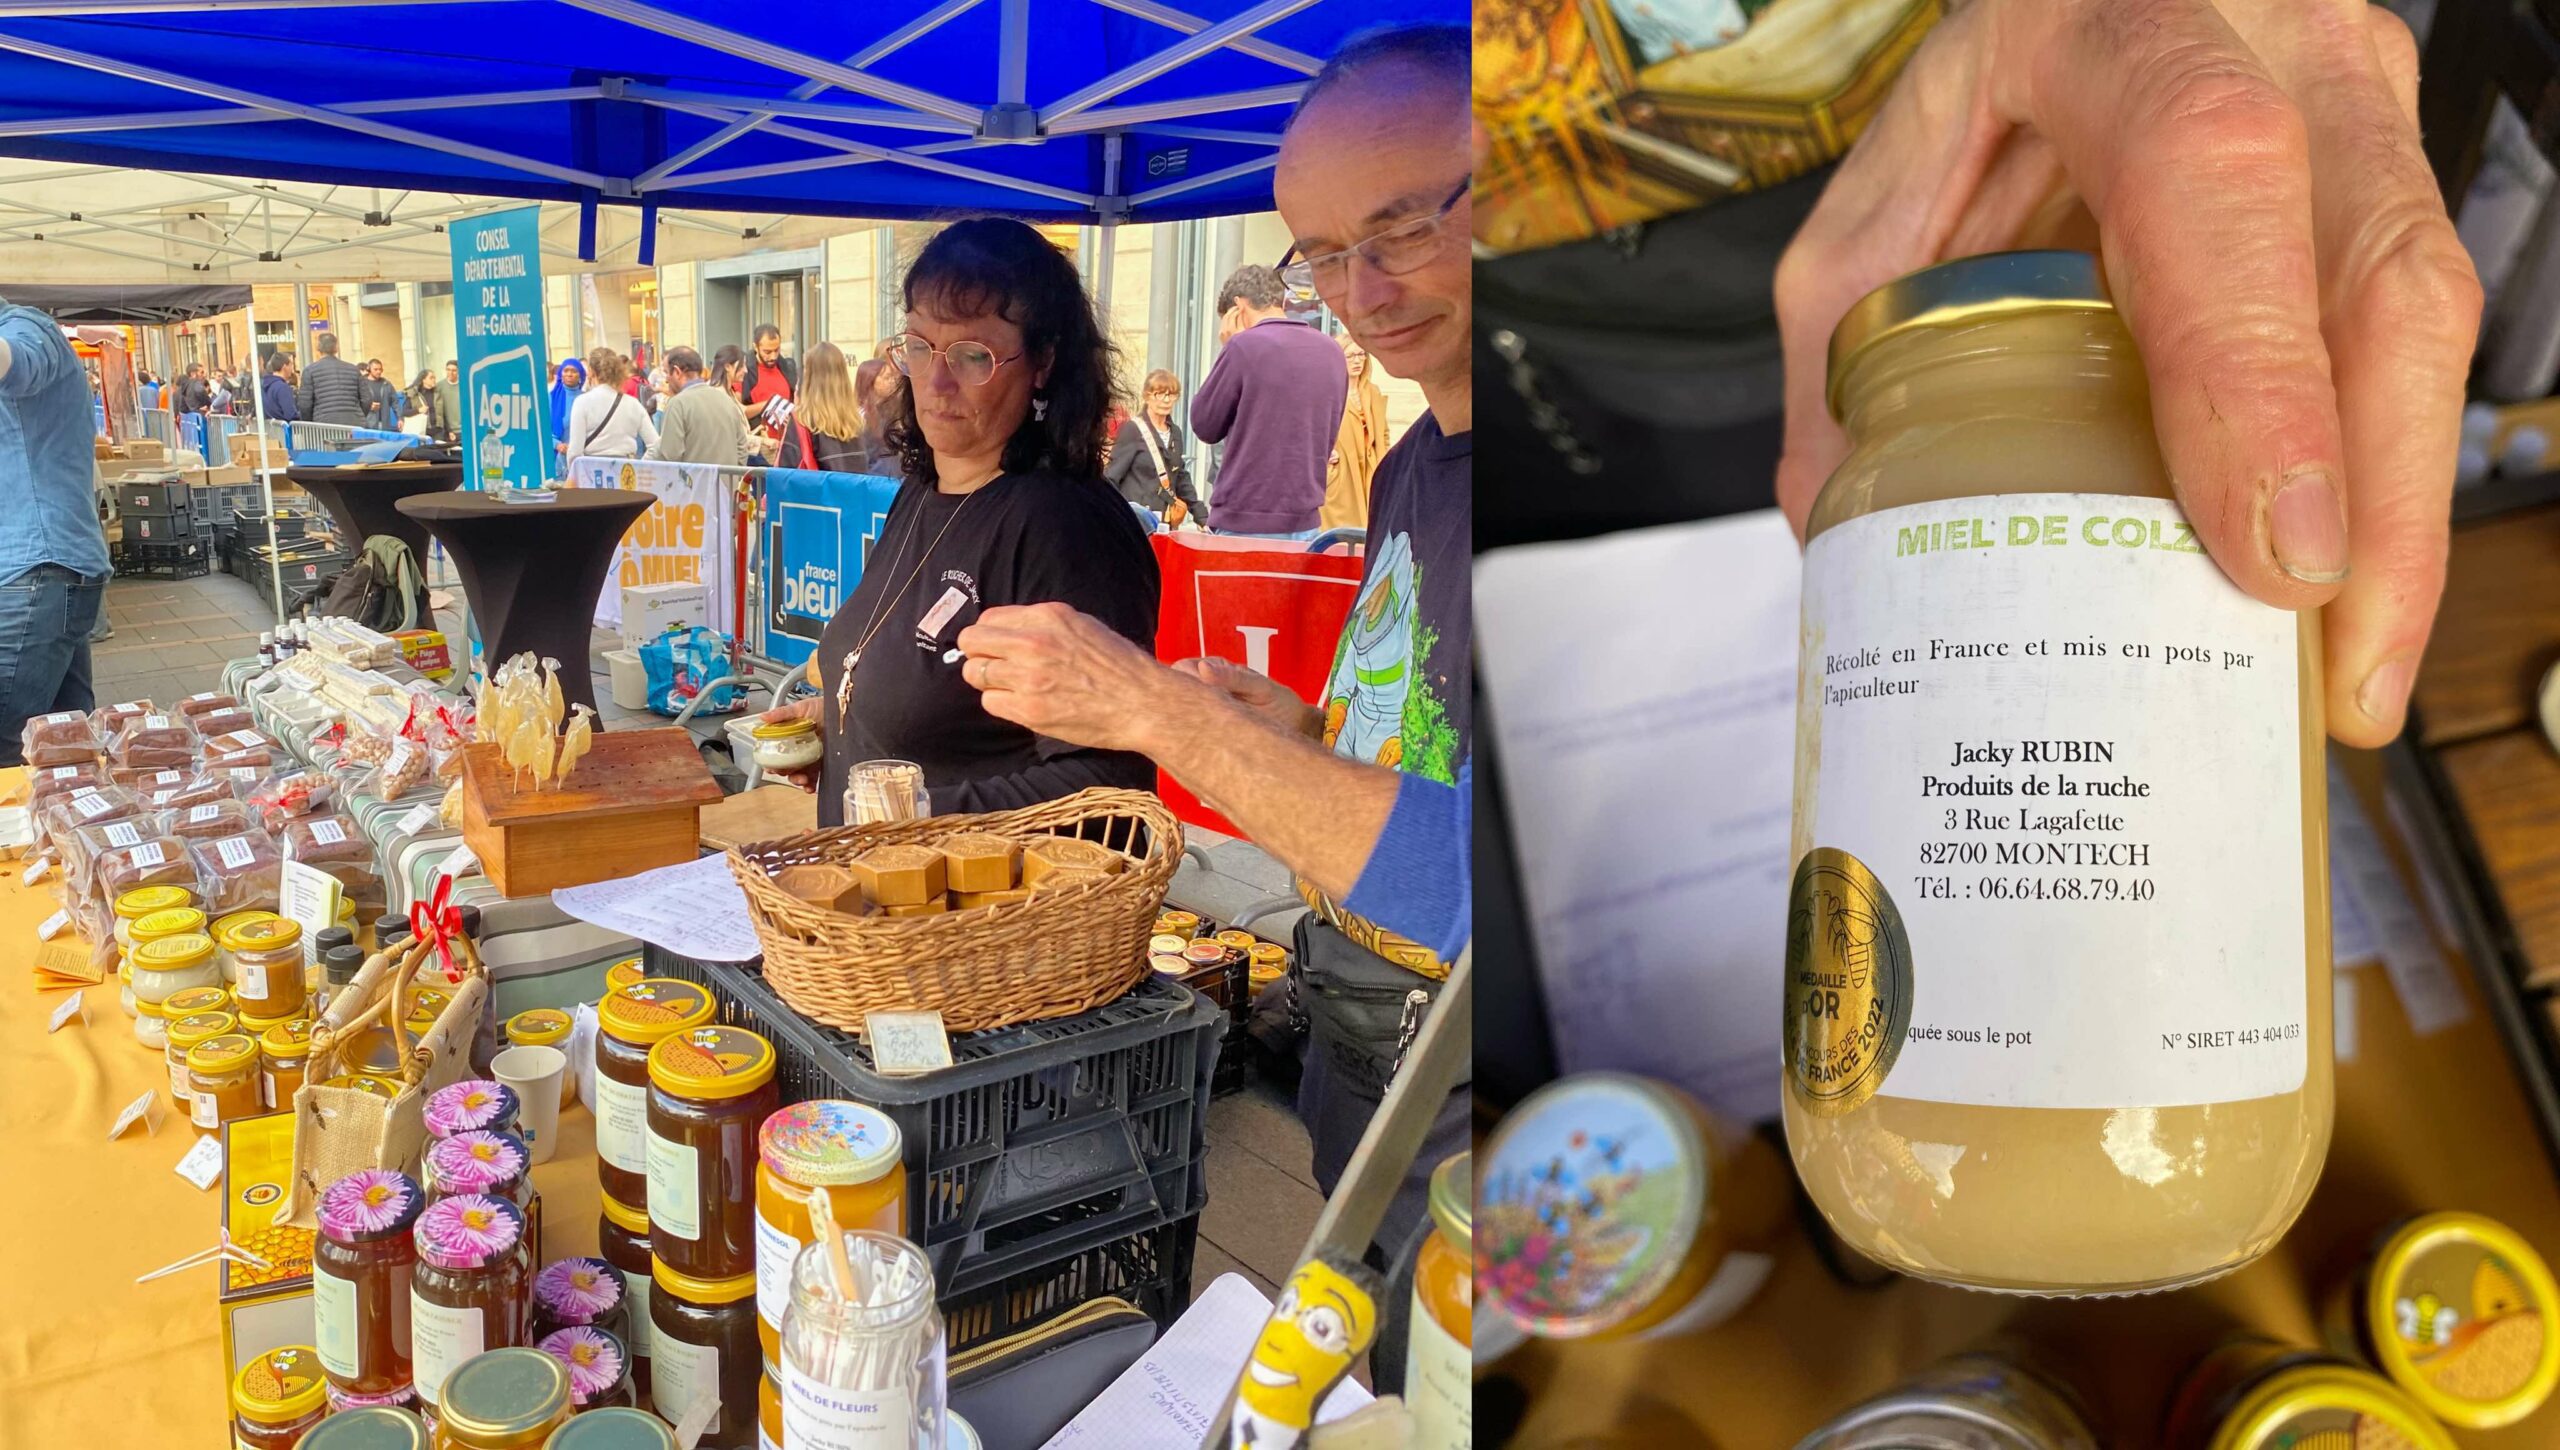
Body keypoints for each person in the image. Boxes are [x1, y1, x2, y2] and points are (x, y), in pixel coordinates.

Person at [947, 24, 1472, 1258]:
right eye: (1327, 254)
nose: (1363, 291)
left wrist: (1157, 711)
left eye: (1401, 230)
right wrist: (1312, 729)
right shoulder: (1408, 467)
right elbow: (1439, 733)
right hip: (1357, 1026)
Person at [754, 216, 1159, 817]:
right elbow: (940, 712)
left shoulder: (1064, 528)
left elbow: (1107, 791)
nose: (936, 382)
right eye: (919, 347)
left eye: (973, 355)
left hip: (985, 906)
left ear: (1043, 361)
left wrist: (907, 813)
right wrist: (841, 726)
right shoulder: (923, 487)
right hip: (875, 896)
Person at [0, 294, 116, 767]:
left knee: (11, 744)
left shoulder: (28, 329)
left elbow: (17, 363)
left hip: (40, 569)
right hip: (48, 568)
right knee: (67, 747)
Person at [1191, 264, 1348, 540]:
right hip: (1306, 520)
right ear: (1281, 301)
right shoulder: (1333, 352)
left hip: (1245, 518)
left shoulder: (1243, 347)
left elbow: (1205, 424)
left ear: (1237, 308)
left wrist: (1228, 347)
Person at [1104, 369, 1201, 530]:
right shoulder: (1133, 429)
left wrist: (1199, 514)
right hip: (1136, 520)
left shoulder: (1175, 432)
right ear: (1147, 396)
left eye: (1171, 395)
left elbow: (1181, 475)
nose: (1166, 400)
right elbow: (1112, 475)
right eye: (1159, 394)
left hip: (1164, 523)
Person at [1320, 336, 1389, 531]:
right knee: (1339, 534)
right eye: (1350, 356)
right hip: (1341, 474)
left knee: (1369, 529)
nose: (1357, 361)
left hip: (1369, 471)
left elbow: (1383, 433)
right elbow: (1309, 431)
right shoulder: (1327, 394)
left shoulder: (1372, 392)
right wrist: (1324, 454)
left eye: (1361, 355)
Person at [773, 341, 870, 472]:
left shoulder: (803, 420)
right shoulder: (857, 423)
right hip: (852, 492)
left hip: (815, 492)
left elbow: (785, 473)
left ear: (809, 377)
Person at [646, 347, 745, 466]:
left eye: (667, 372)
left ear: (677, 372)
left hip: (692, 483)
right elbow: (742, 447)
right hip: (726, 482)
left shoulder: (677, 404)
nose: (666, 379)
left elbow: (671, 454)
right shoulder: (727, 401)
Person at [565, 350, 657, 465]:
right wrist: (638, 468)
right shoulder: (633, 404)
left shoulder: (581, 402)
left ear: (591, 372)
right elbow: (655, 446)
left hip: (593, 471)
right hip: (627, 473)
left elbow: (575, 452)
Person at [295, 333, 366, 426]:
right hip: (354, 423)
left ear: (318, 348)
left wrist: (310, 423)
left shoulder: (310, 371)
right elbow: (366, 399)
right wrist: (358, 414)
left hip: (324, 424)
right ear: (336, 348)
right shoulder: (353, 369)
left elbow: (305, 404)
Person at [739, 322, 797, 426]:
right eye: (767, 352)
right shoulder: (743, 371)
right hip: (757, 438)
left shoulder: (788, 368)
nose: (773, 357)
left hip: (787, 439)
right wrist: (770, 404)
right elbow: (736, 412)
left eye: (776, 350)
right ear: (755, 347)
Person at [855, 356, 902, 472]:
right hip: (873, 480)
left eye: (892, 377)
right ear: (870, 381)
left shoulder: (893, 411)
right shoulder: (860, 416)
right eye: (886, 378)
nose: (892, 381)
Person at [545, 357, 586, 460]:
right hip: (558, 456)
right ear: (561, 374)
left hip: (582, 456)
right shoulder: (552, 398)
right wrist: (558, 445)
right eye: (566, 371)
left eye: (574, 371)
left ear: (580, 375)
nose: (569, 374)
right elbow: (544, 430)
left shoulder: (586, 399)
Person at [260, 351, 298, 424]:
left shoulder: (264, 386)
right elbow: (290, 414)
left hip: (272, 432)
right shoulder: (282, 388)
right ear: (284, 367)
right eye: (291, 365)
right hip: (285, 432)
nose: (292, 369)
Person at [433, 359, 461, 441]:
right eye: (448, 370)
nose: (450, 373)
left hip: (463, 429)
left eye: (454, 370)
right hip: (447, 430)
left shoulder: (464, 385)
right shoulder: (439, 386)